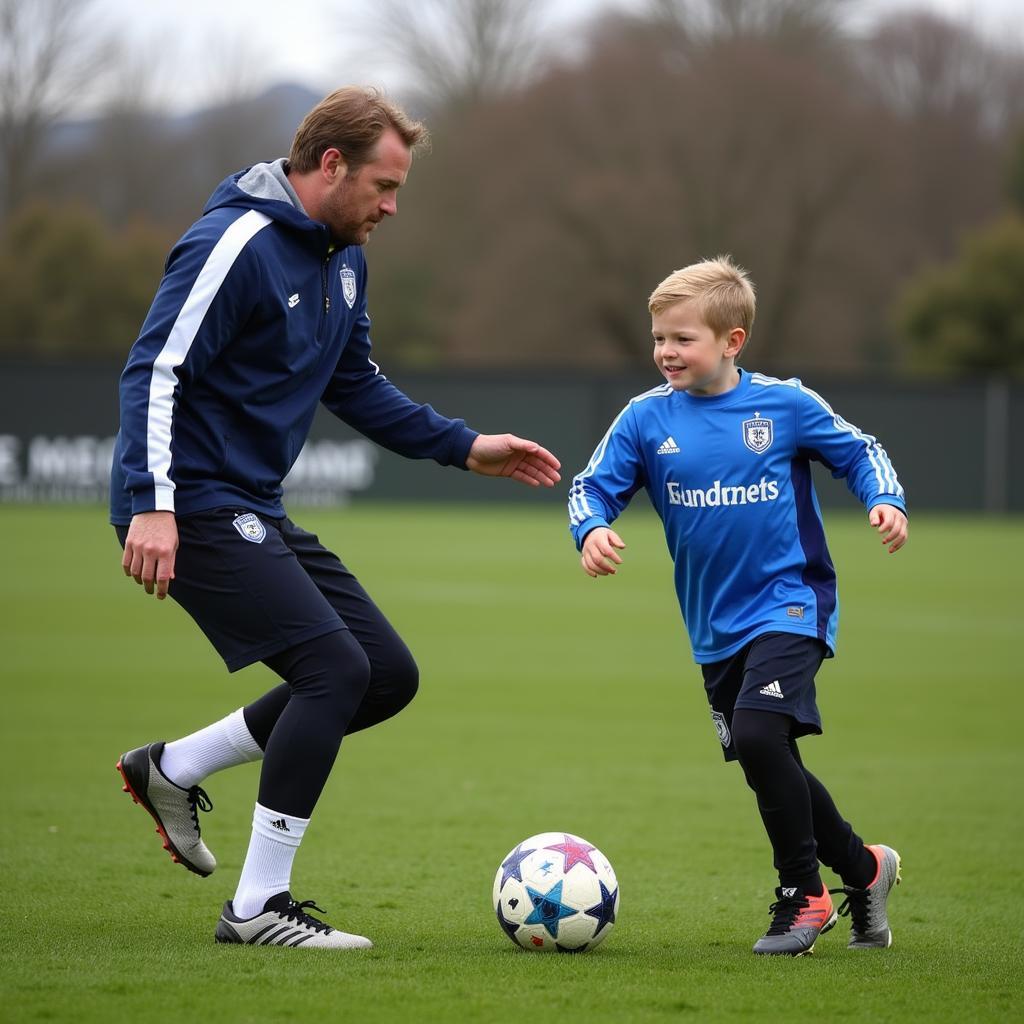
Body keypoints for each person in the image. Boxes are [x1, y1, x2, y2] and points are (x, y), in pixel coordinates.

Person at [111, 86, 561, 950]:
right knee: (330, 668)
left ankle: (173, 767)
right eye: (383, 187)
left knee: (384, 674)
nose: (391, 207)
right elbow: (154, 373)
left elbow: (355, 385)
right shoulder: (234, 242)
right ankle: (257, 908)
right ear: (328, 165)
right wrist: (151, 505)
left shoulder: (344, 257)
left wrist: (468, 447)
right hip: (193, 505)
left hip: (252, 506)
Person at [568, 255, 906, 957]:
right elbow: (591, 486)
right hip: (714, 625)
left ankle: (803, 895)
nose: (666, 350)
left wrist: (883, 498)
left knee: (757, 737)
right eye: (659, 336)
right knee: (765, 753)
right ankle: (866, 870)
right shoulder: (643, 419)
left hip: (791, 603)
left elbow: (860, 450)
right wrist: (593, 527)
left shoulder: (784, 405)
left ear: (732, 340)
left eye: (683, 338)